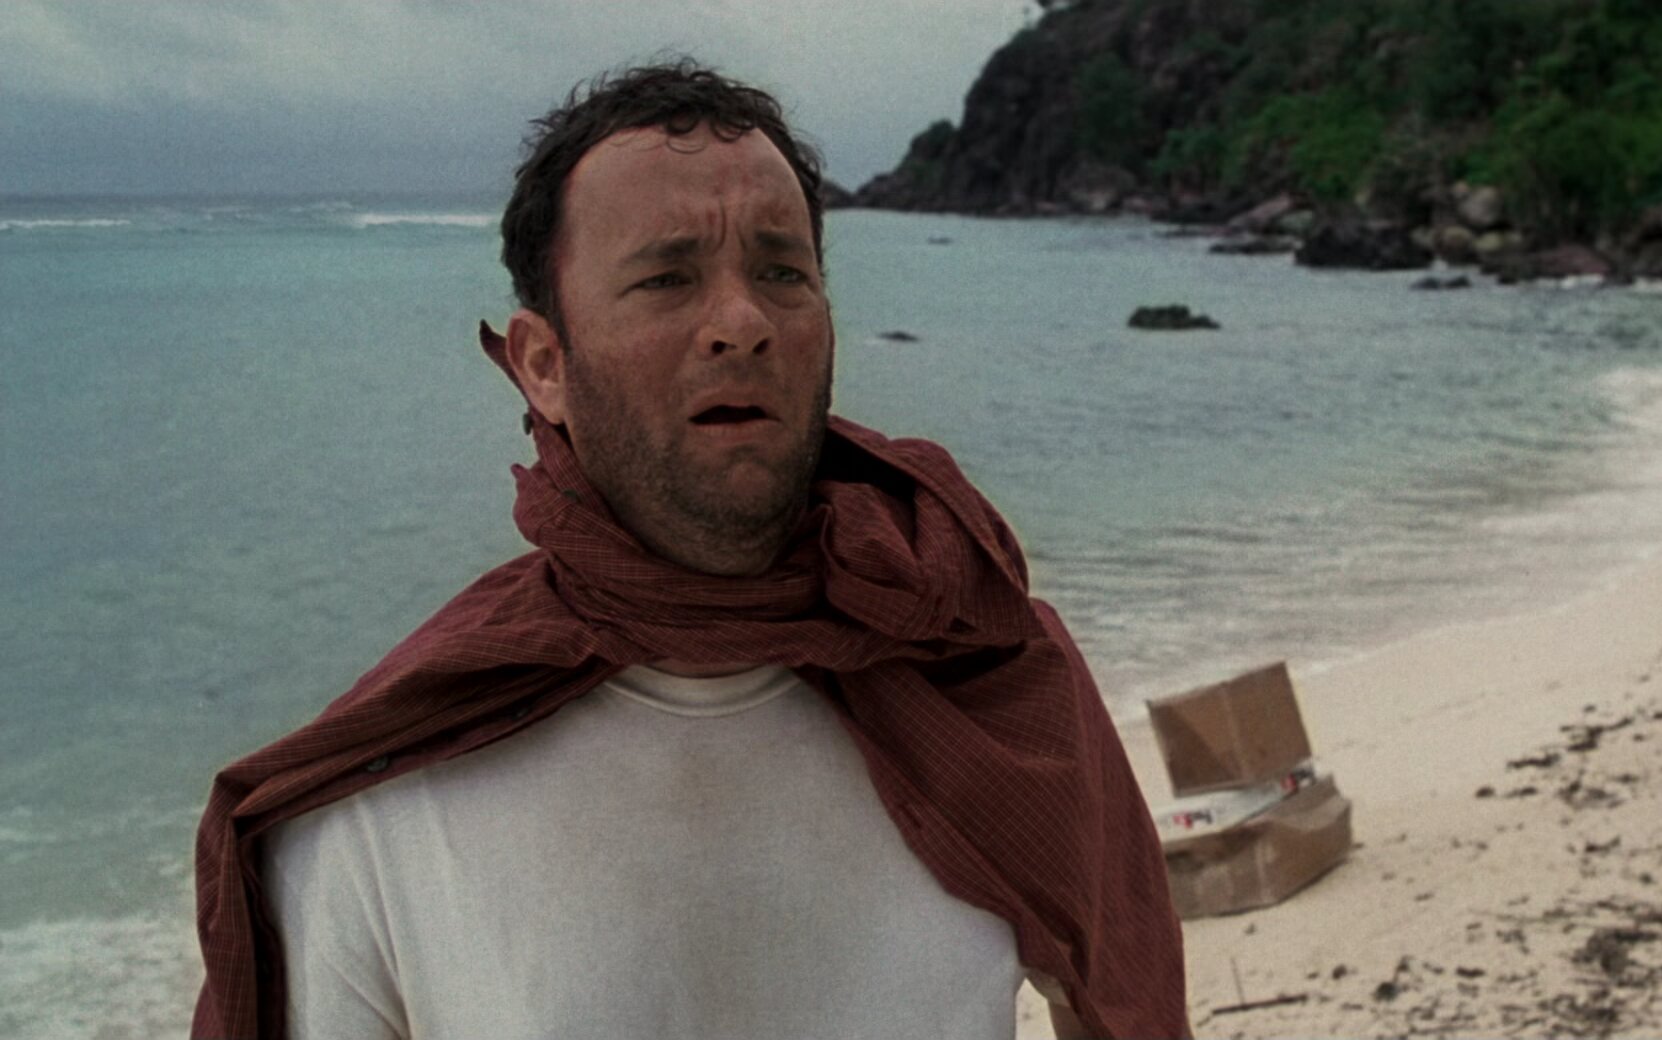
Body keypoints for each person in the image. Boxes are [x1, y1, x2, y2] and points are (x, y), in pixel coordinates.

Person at [190, 59, 1188, 1040]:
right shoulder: (381, 793)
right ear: (544, 366)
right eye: (667, 278)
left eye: (782, 272)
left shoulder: (985, 685)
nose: (742, 323)